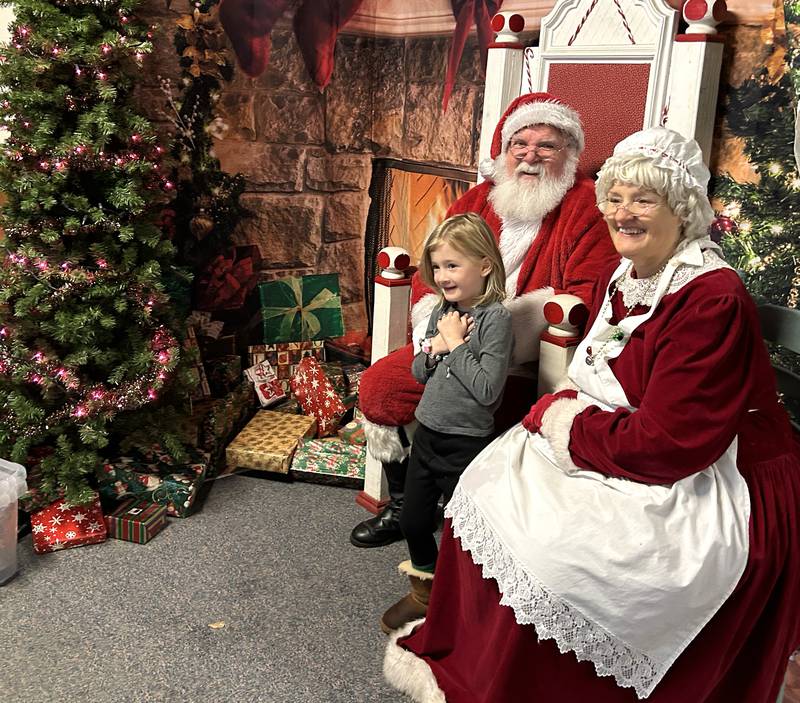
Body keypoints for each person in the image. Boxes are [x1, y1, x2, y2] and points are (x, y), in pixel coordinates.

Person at [384, 127, 800, 702]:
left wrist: (562, 423)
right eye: (615, 198)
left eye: (643, 199)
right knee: (484, 488)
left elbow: (672, 442)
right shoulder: (626, 275)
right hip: (621, 430)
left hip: (709, 469)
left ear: (680, 208)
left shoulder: (711, 298)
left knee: (558, 555)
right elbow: (602, 369)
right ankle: (487, 661)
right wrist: (560, 411)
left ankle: (537, 681)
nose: (622, 214)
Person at [351, 92, 617, 548]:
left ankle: (470, 523)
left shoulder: (585, 208)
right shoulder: (479, 199)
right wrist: (432, 328)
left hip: (530, 356)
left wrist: (493, 329)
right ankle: (404, 505)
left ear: (569, 155)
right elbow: (431, 268)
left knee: (477, 410)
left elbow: (586, 293)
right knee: (380, 385)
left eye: (546, 146)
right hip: (450, 336)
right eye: (521, 144)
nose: (530, 156)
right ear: (505, 151)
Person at [379, 213, 512, 634]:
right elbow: (420, 373)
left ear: (485, 265)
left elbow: (488, 390)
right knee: (413, 521)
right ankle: (425, 593)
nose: (442, 275)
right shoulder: (444, 309)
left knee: (463, 533)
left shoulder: (496, 319)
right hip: (428, 434)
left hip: (465, 443)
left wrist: (455, 342)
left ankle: (463, 607)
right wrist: (436, 346)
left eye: (453, 265)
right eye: (437, 267)